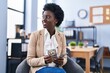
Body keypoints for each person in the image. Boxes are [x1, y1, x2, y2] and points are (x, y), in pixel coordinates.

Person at [27, 3, 67, 73]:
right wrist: (44, 60)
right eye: (43, 17)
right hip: (40, 69)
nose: (43, 20)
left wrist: (62, 61)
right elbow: (29, 60)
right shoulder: (35, 35)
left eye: (48, 17)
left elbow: (64, 57)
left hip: (57, 69)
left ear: (56, 20)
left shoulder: (62, 36)